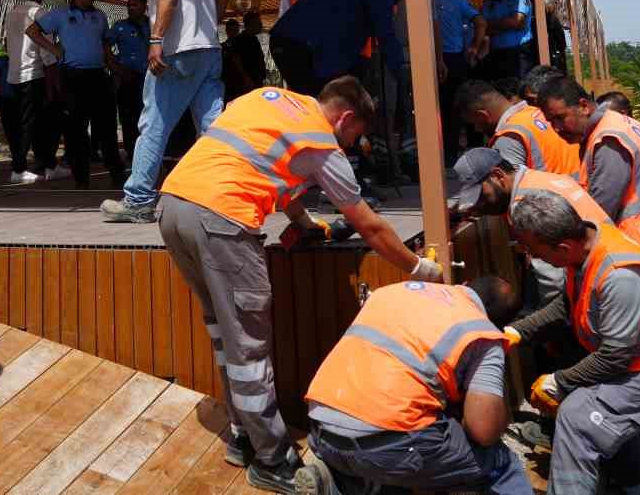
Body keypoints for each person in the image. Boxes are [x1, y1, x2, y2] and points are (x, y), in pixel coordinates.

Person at [157, 79, 439, 493]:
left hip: (173, 206)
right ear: (344, 118)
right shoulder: (321, 141)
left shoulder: (269, 99)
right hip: (223, 220)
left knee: (224, 334)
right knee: (249, 350)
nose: (350, 144)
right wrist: (420, 269)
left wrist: (305, 224)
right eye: (354, 135)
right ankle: (272, 461)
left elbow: (260, 162)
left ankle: (242, 434)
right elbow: (370, 226)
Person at [507, 192, 640, 495]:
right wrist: (516, 332)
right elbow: (567, 306)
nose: (532, 256)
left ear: (563, 247)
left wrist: (560, 381)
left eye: (534, 249)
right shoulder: (587, 244)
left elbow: (614, 357)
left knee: (577, 418)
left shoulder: (620, 275)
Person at [297, 276, 530, 495]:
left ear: (465, 284)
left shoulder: (392, 291)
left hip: (321, 430)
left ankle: (342, 480)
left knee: (404, 444)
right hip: (388, 447)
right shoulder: (482, 333)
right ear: (498, 324)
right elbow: (484, 431)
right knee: (499, 461)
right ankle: (359, 477)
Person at [101, 0, 226, 224]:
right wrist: (207, 28)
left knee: (154, 122)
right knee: (214, 127)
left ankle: (139, 199)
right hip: (209, 49)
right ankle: (226, 193)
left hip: (178, 51)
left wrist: (156, 40)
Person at [537, 76, 640, 275]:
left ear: (583, 106)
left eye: (560, 118)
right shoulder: (622, 123)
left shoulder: (609, 140)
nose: (556, 128)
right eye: (551, 121)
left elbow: (600, 212)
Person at [447, 146, 609, 308]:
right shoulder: (538, 178)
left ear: (498, 176)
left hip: (599, 282)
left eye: (481, 197)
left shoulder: (525, 206)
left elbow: (553, 283)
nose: (479, 205)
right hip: (607, 261)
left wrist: (547, 321)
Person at [28, 0, 124, 188]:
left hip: (98, 76)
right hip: (73, 77)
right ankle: (82, 178)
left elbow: (106, 46)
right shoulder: (61, 14)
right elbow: (32, 31)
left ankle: (117, 175)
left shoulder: (100, 16)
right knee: (76, 130)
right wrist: (54, 49)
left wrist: (115, 69)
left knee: (107, 127)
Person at [268, 0, 404, 98]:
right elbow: (386, 34)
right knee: (321, 104)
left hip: (291, 42)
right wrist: (405, 75)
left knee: (321, 101)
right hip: (299, 45)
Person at [454, 79, 580, 175]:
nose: (477, 129)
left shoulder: (509, 138)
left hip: (555, 204)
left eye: (474, 123)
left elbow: (512, 192)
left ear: (482, 115)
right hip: (578, 194)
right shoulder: (538, 113)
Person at [1, 0, 59, 184]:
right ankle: (20, 169)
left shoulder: (12, 13)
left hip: (14, 75)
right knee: (36, 123)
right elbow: (47, 52)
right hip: (34, 74)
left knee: (27, 123)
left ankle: (46, 163)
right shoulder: (41, 14)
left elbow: (8, 42)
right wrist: (53, 83)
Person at [432, 0, 486, 162]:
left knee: (433, 106)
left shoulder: (430, 1)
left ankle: (432, 150)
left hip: (429, 58)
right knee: (453, 107)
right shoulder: (460, 4)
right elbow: (480, 22)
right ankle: (450, 154)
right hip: (454, 58)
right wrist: (474, 46)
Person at [105, 0, 150, 159]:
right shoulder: (120, 26)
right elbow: (106, 48)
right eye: (129, 5)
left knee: (147, 115)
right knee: (128, 116)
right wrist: (116, 68)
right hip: (128, 78)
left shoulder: (153, 25)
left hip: (149, 78)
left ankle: (147, 150)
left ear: (144, 6)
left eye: (135, 5)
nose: (130, 8)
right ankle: (132, 152)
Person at [479, 0, 532, 82]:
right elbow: (482, 28)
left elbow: (517, 22)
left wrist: (491, 25)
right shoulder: (488, 3)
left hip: (518, 54)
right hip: (496, 55)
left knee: (520, 91)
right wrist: (507, 24)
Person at [231, 12, 268, 91]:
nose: (260, 25)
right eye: (258, 22)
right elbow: (236, 60)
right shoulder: (240, 40)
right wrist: (246, 78)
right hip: (246, 84)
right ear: (251, 23)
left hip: (256, 81)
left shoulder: (254, 39)